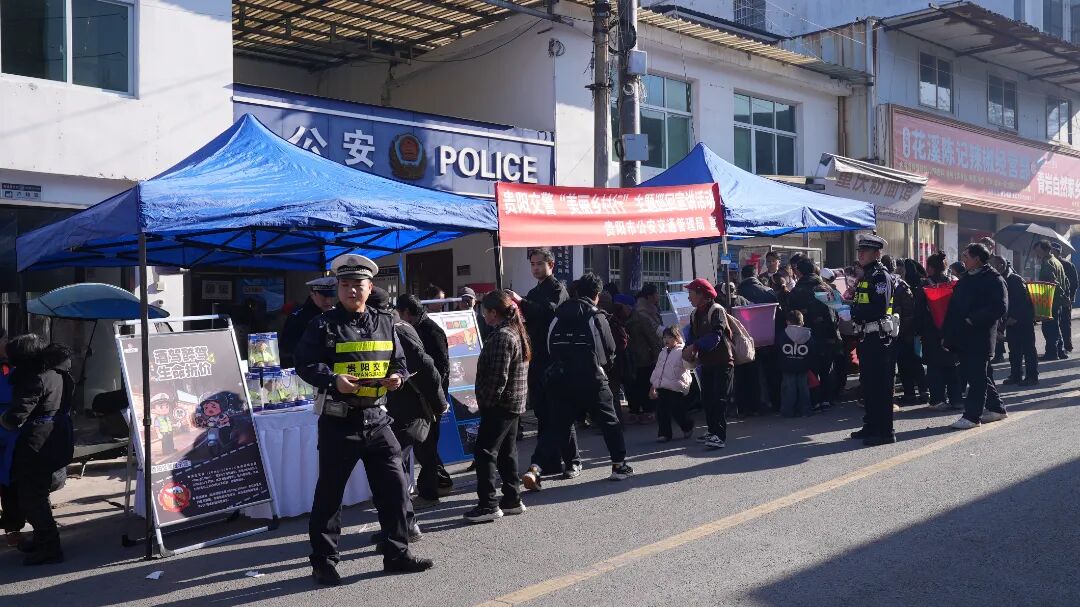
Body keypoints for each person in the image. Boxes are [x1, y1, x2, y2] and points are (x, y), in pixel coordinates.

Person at [294, 254, 433, 585]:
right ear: (337, 288)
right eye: (345, 285)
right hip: (339, 421)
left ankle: (397, 554)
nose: (351, 290)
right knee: (330, 495)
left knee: (395, 489)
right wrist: (333, 380)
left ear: (370, 287)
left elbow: (399, 362)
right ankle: (324, 562)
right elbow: (304, 363)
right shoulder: (322, 325)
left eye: (358, 285)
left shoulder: (385, 321)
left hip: (377, 419)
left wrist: (398, 377)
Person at [520, 273, 633, 490]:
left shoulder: (558, 315)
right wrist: (600, 365)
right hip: (591, 378)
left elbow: (550, 346)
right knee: (610, 422)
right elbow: (607, 350)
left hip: (561, 378)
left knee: (555, 426)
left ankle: (535, 468)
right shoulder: (595, 316)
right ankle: (619, 465)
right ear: (597, 294)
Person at [366, 287, 441, 551]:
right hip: (394, 413)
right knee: (392, 472)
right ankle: (397, 526)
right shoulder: (382, 328)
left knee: (392, 472)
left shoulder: (397, 329)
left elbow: (428, 367)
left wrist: (439, 404)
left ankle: (405, 527)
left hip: (409, 414)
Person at [0, 337, 74, 565]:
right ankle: (43, 539)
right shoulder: (60, 372)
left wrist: (4, 419)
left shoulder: (37, 378)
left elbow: (16, 416)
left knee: (32, 498)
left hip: (38, 444)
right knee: (38, 495)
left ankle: (50, 547)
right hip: (56, 438)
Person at [507, 248, 579, 479]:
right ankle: (550, 461)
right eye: (532, 264)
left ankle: (573, 460)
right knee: (542, 413)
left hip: (555, 360)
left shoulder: (558, 289)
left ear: (551, 265)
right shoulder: (534, 291)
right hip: (536, 359)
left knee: (560, 412)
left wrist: (522, 301)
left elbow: (549, 312)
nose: (535, 268)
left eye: (539, 264)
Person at [463, 290, 531, 523]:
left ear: (493, 312)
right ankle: (512, 498)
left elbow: (497, 377)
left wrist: (486, 402)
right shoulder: (515, 331)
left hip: (500, 404)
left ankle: (488, 504)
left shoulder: (503, 336)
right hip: (513, 402)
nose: (483, 315)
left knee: (485, 452)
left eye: (485, 311)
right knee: (506, 452)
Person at [942, 243, 1009, 430]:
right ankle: (996, 408)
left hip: (980, 337)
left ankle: (972, 416)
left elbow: (1000, 307)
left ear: (977, 258)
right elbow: (953, 308)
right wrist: (947, 334)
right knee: (978, 375)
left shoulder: (994, 279)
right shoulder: (966, 278)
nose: (963, 259)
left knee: (977, 377)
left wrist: (973, 319)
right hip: (963, 336)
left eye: (966, 256)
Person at [395, 293, 452, 507]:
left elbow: (441, 369)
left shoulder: (431, 331)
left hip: (430, 398)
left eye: (399, 313)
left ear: (407, 313)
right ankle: (441, 482)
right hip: (419, 397)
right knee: (425, 447)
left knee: (426, 446)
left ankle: (430, 492)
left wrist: (435, 398)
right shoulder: (414, 328)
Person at [849, 234, 898, 446]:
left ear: (877, 254)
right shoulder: (866, 275)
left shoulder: (880, 276)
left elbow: (878, 307)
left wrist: (854, 312)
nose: (860, 254)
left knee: (881, 386)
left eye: (865, 251)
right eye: (859, 251)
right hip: (866, 336)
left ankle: (885, 431)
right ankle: (871, 424)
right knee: (868, 384)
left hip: (879, 337)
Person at [684, 278, 733, 450]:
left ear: (702, 294)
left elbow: (716, 336)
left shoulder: (716, 310)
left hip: (723, 362)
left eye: (691, 293)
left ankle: (719, 436)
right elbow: (692, 337)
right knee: (707, 398)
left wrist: (695, 346)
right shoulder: (694, 314)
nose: (688, 297)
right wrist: (688, 348)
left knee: (719, 399)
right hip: (706, 363)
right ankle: (712, 431)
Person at [786, 259, 839, 411]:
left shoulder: (797, 291)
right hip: (827, 335)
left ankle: (814, 400)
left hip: (805, 335)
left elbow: (791, 314)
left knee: (811, 369)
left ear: (799, 272)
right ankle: (827, 399)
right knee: (827, 368)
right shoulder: (825, 287)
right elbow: (834, 313)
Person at [921, 253, 964, 412]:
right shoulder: (954, 283)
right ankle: (956, 399)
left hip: (931, 331)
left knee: (935, 367)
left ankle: (938, 399)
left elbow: (919, 311)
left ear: (931, 268)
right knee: (953, 365)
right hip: (952, 330)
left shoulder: (925, 285)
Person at [989, 256, 1038, 387]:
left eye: (993, 265)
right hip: (1010, 321)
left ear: (1001, 265)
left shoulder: (1015, 279)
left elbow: (1023, 301)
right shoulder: (1001, 279)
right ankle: (1016, 375)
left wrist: (1015, 317)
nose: (991, 267)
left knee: (1028, 349)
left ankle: (1032, 376)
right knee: (1014, 350)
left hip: (1023, 320)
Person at [649, 326, 696, 442]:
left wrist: (691, 356)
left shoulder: (682, 351)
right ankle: (664, 434)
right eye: (664, 337)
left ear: (677, 338)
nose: (666, 340)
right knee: (661, 411)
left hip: (676, 386)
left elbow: (690, 365)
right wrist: (653, 385)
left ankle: (687, 426)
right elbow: (657, 370)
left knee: (677, 410)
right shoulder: (662, 352)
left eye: (670, 337)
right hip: (663, 386)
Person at [626, 284, 663, 425]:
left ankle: (636, 411)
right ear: (649, 296)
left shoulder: (645, 309)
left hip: (641, 353)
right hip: (646, 354)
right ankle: (648, 412)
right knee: (646, 383)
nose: (658, 296)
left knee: (640, 383)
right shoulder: (644, 313)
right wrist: (659, 354)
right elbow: (653, 336)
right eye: (657, 293)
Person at [280, 277, 337, 367]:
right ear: (312, 294)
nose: (328, 301)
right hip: (304, 367)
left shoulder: (334, 314)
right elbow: (288, 347)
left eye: (331, 296)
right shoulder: (300, 316)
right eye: (324, 296)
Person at [895, 259, 929, 406]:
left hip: (907, 331)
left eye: (900, 268)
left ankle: (913, 393)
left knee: (908, 363)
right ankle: (920, 391)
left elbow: (908, 313)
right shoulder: (915, 284)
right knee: (913, 363)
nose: (897, 270)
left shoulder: (906, 287)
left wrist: (901, 330)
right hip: (913, 331)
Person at [1034, 240, 1069, 361]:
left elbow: (1054, 283)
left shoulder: (1048, 263)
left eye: (1038, 250)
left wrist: (1063, 295)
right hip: (1057, 300)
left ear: (1046, 250)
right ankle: (1060, 351)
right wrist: (1065, 296)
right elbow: (1066, 281)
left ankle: (1052, 353)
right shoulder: (1056, 261)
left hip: (1050, 300)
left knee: (1049, 328)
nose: (1037, 253)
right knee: (1055, 326)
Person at [778, 310, 815, 418]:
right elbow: (812, 350)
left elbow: (778, 350)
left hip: (787, 366)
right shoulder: (808, 334)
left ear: (787, 322)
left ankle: (788, 412)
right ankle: (805, 411)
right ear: (802, 322)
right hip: (803, 366)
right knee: (804, 389)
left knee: (788, 389)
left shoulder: (782, 334)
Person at [1050, 242, 1076, 353]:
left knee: (1065, 323)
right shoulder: (1049, 263)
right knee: (1055, 323)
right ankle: (1057, 345)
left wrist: (1070, 298)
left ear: (1058, 252)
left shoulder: (1067, 265)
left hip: (1065, 298)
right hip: (1053, 299)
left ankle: (1068, 345)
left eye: (1052, 250)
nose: (1051, 252)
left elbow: (1074, 283)